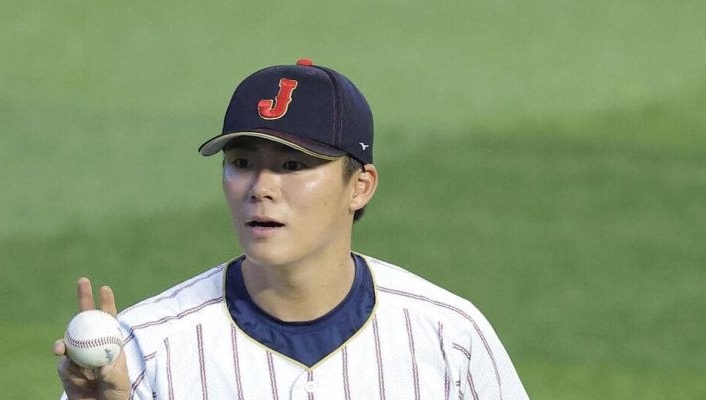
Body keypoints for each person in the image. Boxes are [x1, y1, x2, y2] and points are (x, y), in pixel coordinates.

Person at [53, 59, 530, 399]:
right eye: (242, 163)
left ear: (360, 186)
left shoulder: (448, 336)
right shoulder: (144, 348)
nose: (261, 188)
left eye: (293, 165)